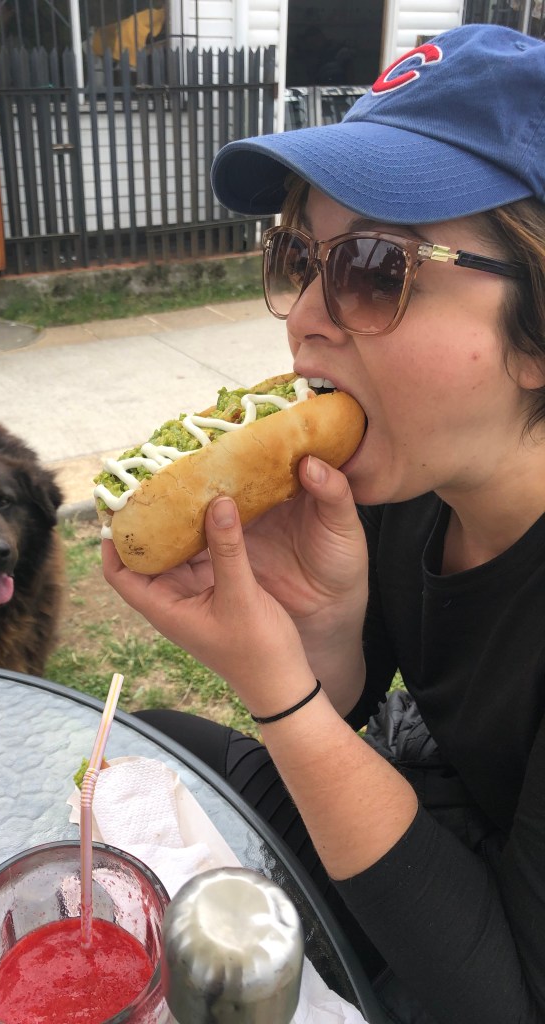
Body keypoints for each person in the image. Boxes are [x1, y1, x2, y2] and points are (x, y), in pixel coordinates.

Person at [102, 24, 545, 1024]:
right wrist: (319, 635)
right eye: (301, 256)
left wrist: (280, 692)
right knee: (149, 743)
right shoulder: (408, 480)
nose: (303, 315)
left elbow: (507, 1000)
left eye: (375, 266)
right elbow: (351, 707)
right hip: (440, 821)